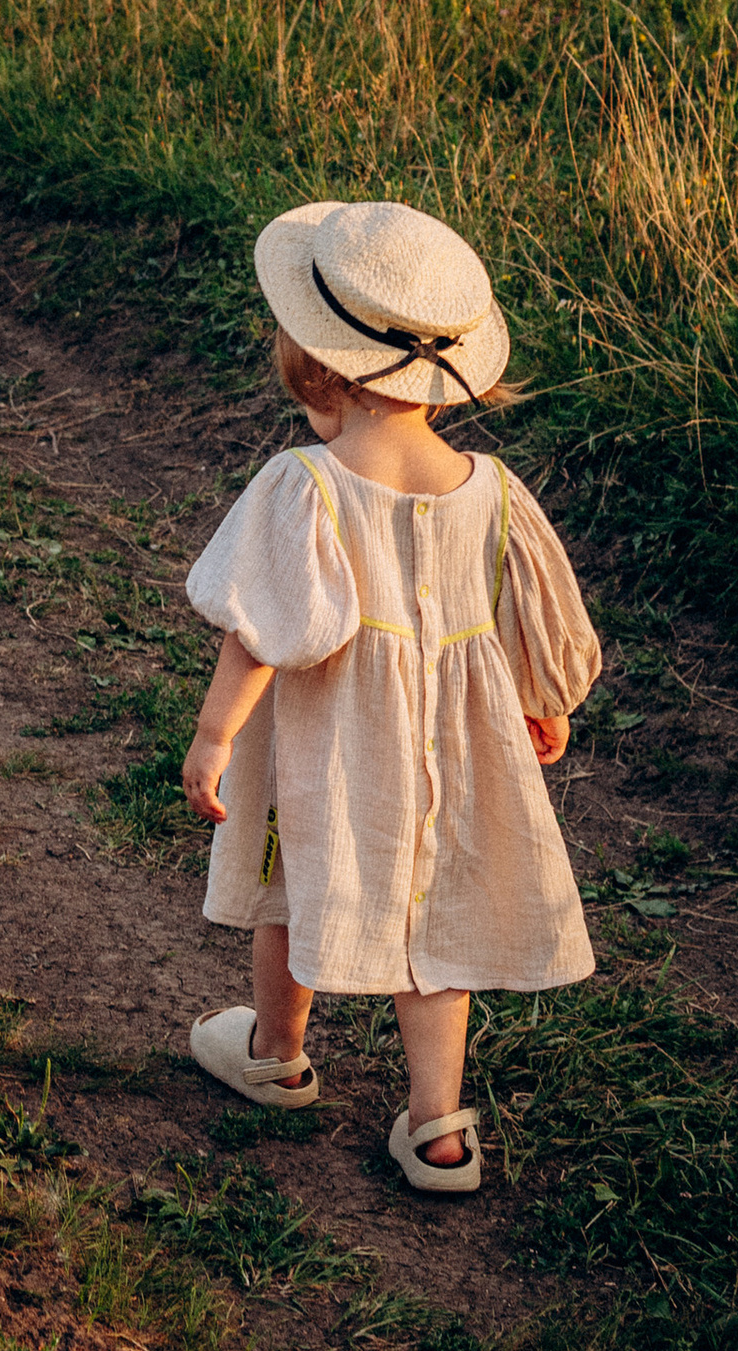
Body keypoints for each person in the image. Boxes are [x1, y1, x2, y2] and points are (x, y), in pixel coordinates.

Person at [178, 197, 598, 1194]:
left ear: (318, 366)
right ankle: (439, 1126)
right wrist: (546, 702)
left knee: (296, 869)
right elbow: (536, 613)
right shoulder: (493, 491)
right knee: (435, 910)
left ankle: (277, 1056)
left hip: (328, 740)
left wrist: (212, 737)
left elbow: (263, 632)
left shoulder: (305, 484)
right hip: (458, 749)